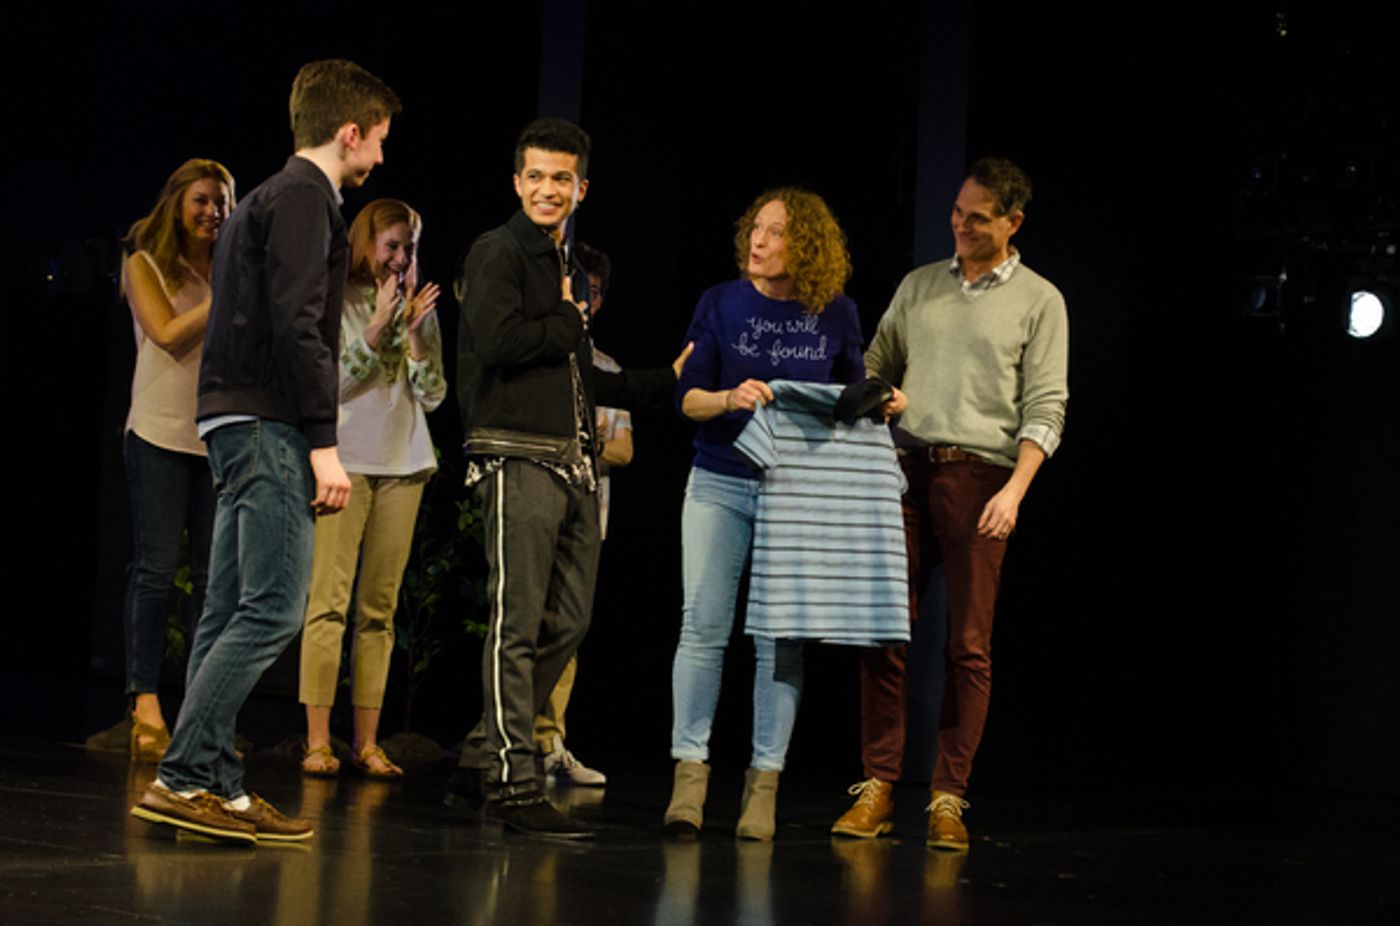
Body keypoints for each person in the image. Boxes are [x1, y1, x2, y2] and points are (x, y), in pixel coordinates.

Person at [131, 59, 402, 845]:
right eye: (378, 141)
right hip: (264, 424)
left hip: (233, 418)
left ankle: (218, 783)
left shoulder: (270, 198)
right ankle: (184, 777)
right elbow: (295, 323)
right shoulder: (304, 200)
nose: (379, 158)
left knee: (227, 607)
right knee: (275, 607)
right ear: (348, 133)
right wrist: (325, 444)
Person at [446, 118, 688, 837]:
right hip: (515, 452)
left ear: (582, 187)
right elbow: (500, 342)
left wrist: (660, 382)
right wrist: (565, 319)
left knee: (570, 621)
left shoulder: (567, 268)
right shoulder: (501, 252)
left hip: (572, 460)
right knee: (513, 620)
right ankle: (515, 781)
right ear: (517, 182)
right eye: (536, 177)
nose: (549, 189)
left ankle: (482, 751)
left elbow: (578, 374)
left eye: (562, 179)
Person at [832, 156, 1068, 851]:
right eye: (958, 212)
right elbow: (874, 363)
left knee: (968, 645)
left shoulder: (1039, 299)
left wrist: (1016, 493)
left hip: (984, 478)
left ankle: (948, 796)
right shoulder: (920, 285)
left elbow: (1047, 406)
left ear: (1012, 223)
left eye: (978, 217)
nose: (961, 225)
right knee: (886, 629)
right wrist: (883, 398)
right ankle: (878, 783)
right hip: (906, 469)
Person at [664, 187, 865, 841]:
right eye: (755, 227)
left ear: (804, 244)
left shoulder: (836, 313)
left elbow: (850, 402)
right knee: (704, 625)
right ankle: (689, 780)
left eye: (775, 233)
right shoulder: (720, 303)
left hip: (795, 494)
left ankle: (763, 788)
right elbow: (685, 398)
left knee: (780, 640)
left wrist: (881, 403)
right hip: (720, 480)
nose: (758, 241)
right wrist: (727, 398)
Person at [299, 198, 444, 781]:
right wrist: (379, 324)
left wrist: (411, 333)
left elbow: (432, 393)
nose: (400, 258)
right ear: (366, 244)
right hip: (346, 462)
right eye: (391, 246)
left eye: (408, 248)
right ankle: (316, 740)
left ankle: (366, 740)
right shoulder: (337, 299)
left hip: (403, 462)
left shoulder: (420, 306)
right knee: (328, 604)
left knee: (378, 611)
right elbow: (327, 386)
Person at [119, 158, 234, 763]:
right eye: (202, 200)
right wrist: (226, 299)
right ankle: (143, 701)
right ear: (176, 203)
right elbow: (165, 332)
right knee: (156, 569)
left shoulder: (232, 268)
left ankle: (200, 706)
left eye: (221, 201)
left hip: (216, 437)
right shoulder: (144, 263)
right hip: (159, 434)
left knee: (216, 584)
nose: (213, 211)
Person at [531, 242, 626, 788]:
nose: (583, 301)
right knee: (528, 626)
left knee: (569, 630)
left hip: (590, 514)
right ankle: (512, 737)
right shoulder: (540, 356)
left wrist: (577, 442)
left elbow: (626, 448)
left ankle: (551, 739)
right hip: (537, 507)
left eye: (592, 292)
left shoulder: (605, 366)